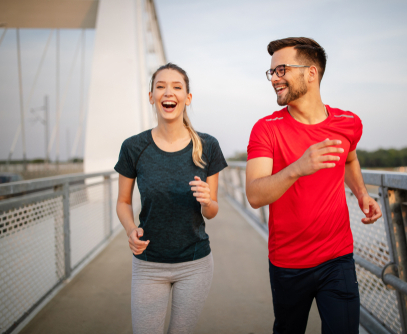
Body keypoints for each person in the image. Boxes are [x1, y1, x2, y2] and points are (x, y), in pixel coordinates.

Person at [245, 37, 382, 334]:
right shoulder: (266, 129)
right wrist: (298, 168)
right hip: (288, 264)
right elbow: (255, 195)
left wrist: (362, 194)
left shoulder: (348, 122)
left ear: (311, 73)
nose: (274, 79)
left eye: (281, 70)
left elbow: (349, 159)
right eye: (272, 72)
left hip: (338, 258)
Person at [115, 63, 227, 334]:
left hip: (195, 264)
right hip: (149, 264)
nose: (169, 92)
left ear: (187, 98)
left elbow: (212, 211)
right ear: (151, 96)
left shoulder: (208, 146)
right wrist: (131, 230)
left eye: (177, 87)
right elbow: (123, 202)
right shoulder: (133, 147)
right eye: (161, 86)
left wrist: (206, 201)